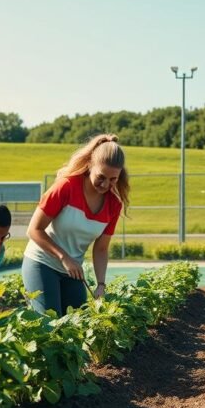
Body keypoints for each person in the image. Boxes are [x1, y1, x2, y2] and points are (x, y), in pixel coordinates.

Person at [23, 133, 128, 315]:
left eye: (113, 179)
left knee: (77, 323)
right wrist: (64, 257)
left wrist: (101, 284)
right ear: (89, 165)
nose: (105, 185)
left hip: (73, 271)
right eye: (101, 177)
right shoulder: (66, 187)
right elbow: (34, 230)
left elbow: (101, 248)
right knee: (48, 323)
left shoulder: (114, 204)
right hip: (42, 262)